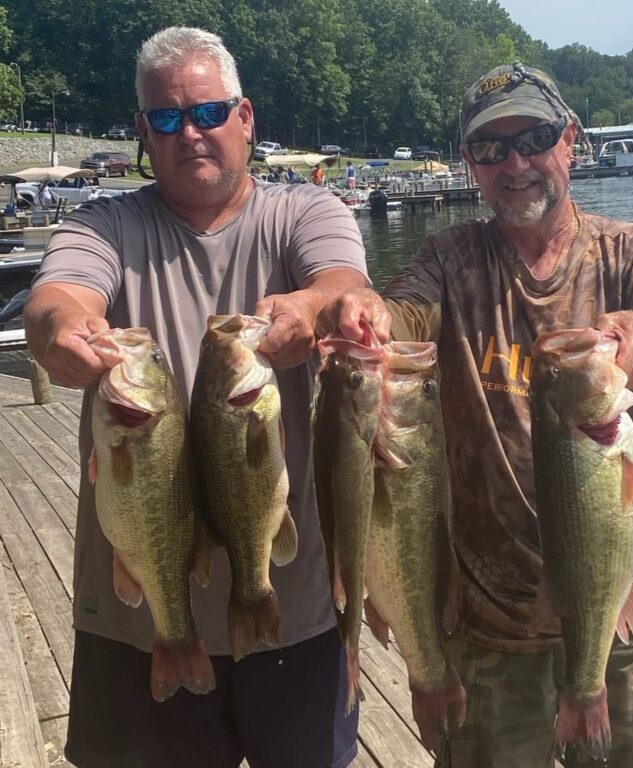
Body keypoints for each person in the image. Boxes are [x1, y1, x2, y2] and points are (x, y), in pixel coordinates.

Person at [323, 62, 633, 767]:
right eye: (491, 149)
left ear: (571, 140)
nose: (515, 163)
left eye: (534, 137)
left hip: (631, 608)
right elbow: (400, 312)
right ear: (470, 162)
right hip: (491, 621)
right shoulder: (449, 260)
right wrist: (369, 315)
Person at [24, 26, 368, 768]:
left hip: (292, 605)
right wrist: (64, 330)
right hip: (138, 615)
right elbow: (57, 297)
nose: (192, 135)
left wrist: (314, 308)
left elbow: (342, 283)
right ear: (145, 134)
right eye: (169, 120)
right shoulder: (105, 224)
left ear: (245, 120)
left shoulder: (304, 213)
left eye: (209, 114)